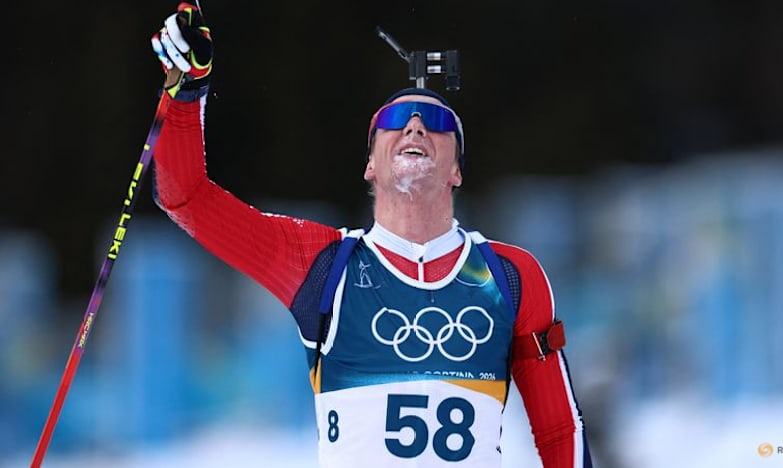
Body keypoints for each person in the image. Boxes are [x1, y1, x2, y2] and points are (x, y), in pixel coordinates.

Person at [150, 4, 592, 467]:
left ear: (457, 170)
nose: (415, 126)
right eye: (394, 121)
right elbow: (186, 197)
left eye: (438, 123)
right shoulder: (323, 264)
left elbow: (560, 430)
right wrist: (187, 91)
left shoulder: (509, 277)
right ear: (370, 165)